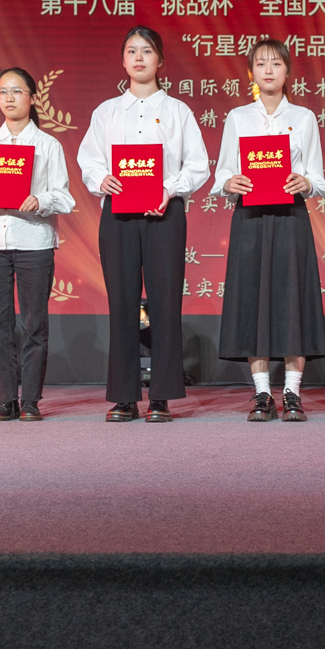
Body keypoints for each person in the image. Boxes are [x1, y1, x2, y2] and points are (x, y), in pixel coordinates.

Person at [77, 25, 208, 423]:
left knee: (166, 303)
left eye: (147, 51)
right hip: (117, 215)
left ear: (160, 60)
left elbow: (198, 165)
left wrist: (169, 188)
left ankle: (162, 396)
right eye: (132, 51)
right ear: (123, 61)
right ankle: (124, 396)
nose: (139, 57)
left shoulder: (178, 111)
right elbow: (89, 158)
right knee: (122, 302)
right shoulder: (106, 111)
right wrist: (101, 178)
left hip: (164, 214)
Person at [214, 38, 325, 423]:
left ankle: (292, 392)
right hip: (249, 219)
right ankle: (262, 393)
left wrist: (306, 183)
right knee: (253, 301)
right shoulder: (237, 117)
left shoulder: (304, 117)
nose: (268, 70)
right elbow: (222, 172)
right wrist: (229, 182)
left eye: (276, 63)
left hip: (291, 217)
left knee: (293, 300)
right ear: (251, 72)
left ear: (287, 71)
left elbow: (318, 178)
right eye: (261, 63)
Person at [0, 67, 75, 422]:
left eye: (17, 91)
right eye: (2, 91)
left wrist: (41, 200)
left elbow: (65, 198)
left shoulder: (48, 145)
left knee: (34, 324)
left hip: (33, 242)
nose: (9, 98)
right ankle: (5, 398)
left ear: (32, 97)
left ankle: (31, 400)